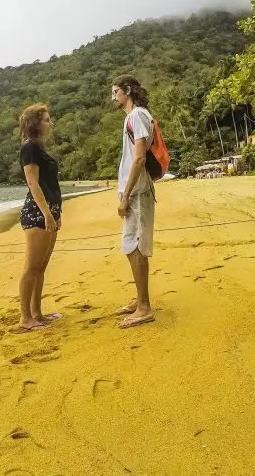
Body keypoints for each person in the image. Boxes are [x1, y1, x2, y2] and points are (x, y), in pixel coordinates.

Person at [111, 75, 156, 329]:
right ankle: (141, 300)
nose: (114, 97)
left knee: (135, 246)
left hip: (137, 191)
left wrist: (125, 194)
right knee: (133, 245)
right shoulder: (137, 116)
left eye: (116, 92)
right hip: (136, 190)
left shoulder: (137, 115)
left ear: (128, 91)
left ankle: (144, 307)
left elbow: (138, 159)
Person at [16, 103, 63, 332]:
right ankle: (25, 318)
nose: (50, 123)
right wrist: (47, 213)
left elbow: (49, 184)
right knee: (31, 267)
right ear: (35, 124)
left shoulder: (39, 149)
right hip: (37, 213)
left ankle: (37, 313)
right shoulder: (30, 148)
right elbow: (33, 183)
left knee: (41, 268)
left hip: (49, 211)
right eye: (46, 119)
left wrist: (56, 213)